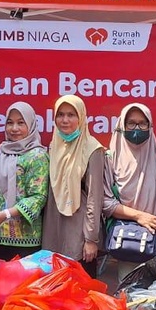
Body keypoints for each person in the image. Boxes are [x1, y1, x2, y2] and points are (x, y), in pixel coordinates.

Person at [41, 95, 106, 277]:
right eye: (60, 115)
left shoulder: (93, 149)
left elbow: (95, 196)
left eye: (71, 114)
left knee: (80, 294)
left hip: (78, 231)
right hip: (54, 228)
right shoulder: (54, 145)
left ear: (81, 117)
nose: (65, 120)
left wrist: (91, 239)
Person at [0, 101, 49, 261]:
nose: (14, 128)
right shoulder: (3, 154)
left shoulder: (37, 156)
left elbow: (38, 198)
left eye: (21, 123)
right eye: (10, 123)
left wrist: (4, 214)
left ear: (31, 125)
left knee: (23, 285)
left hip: (26, 240)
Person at [103, 102, 156, 277]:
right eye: (131, 123)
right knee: (129, 295)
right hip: (127, 240)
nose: (137, 128)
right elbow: (106, 202)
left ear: (150, 126)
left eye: (142, 123)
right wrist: (139, 216)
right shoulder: (109, 159)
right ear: (121, 126)